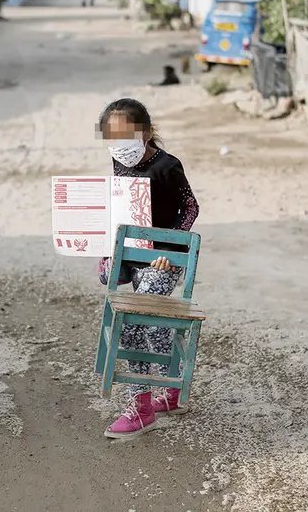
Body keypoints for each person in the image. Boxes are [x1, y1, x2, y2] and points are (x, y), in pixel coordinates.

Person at [96, 98, 201, 439]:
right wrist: (105, 250)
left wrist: (170, 248)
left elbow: (190, 207)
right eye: (112, 137)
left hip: (163, 262)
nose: (119, 145)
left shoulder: (167, 166)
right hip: (135, 259)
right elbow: (121, 209)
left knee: (132, 320)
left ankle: (141, 407)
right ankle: (172, 390)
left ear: (147, 131)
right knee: (155, 329)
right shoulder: (119, 162)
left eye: (125, 135)